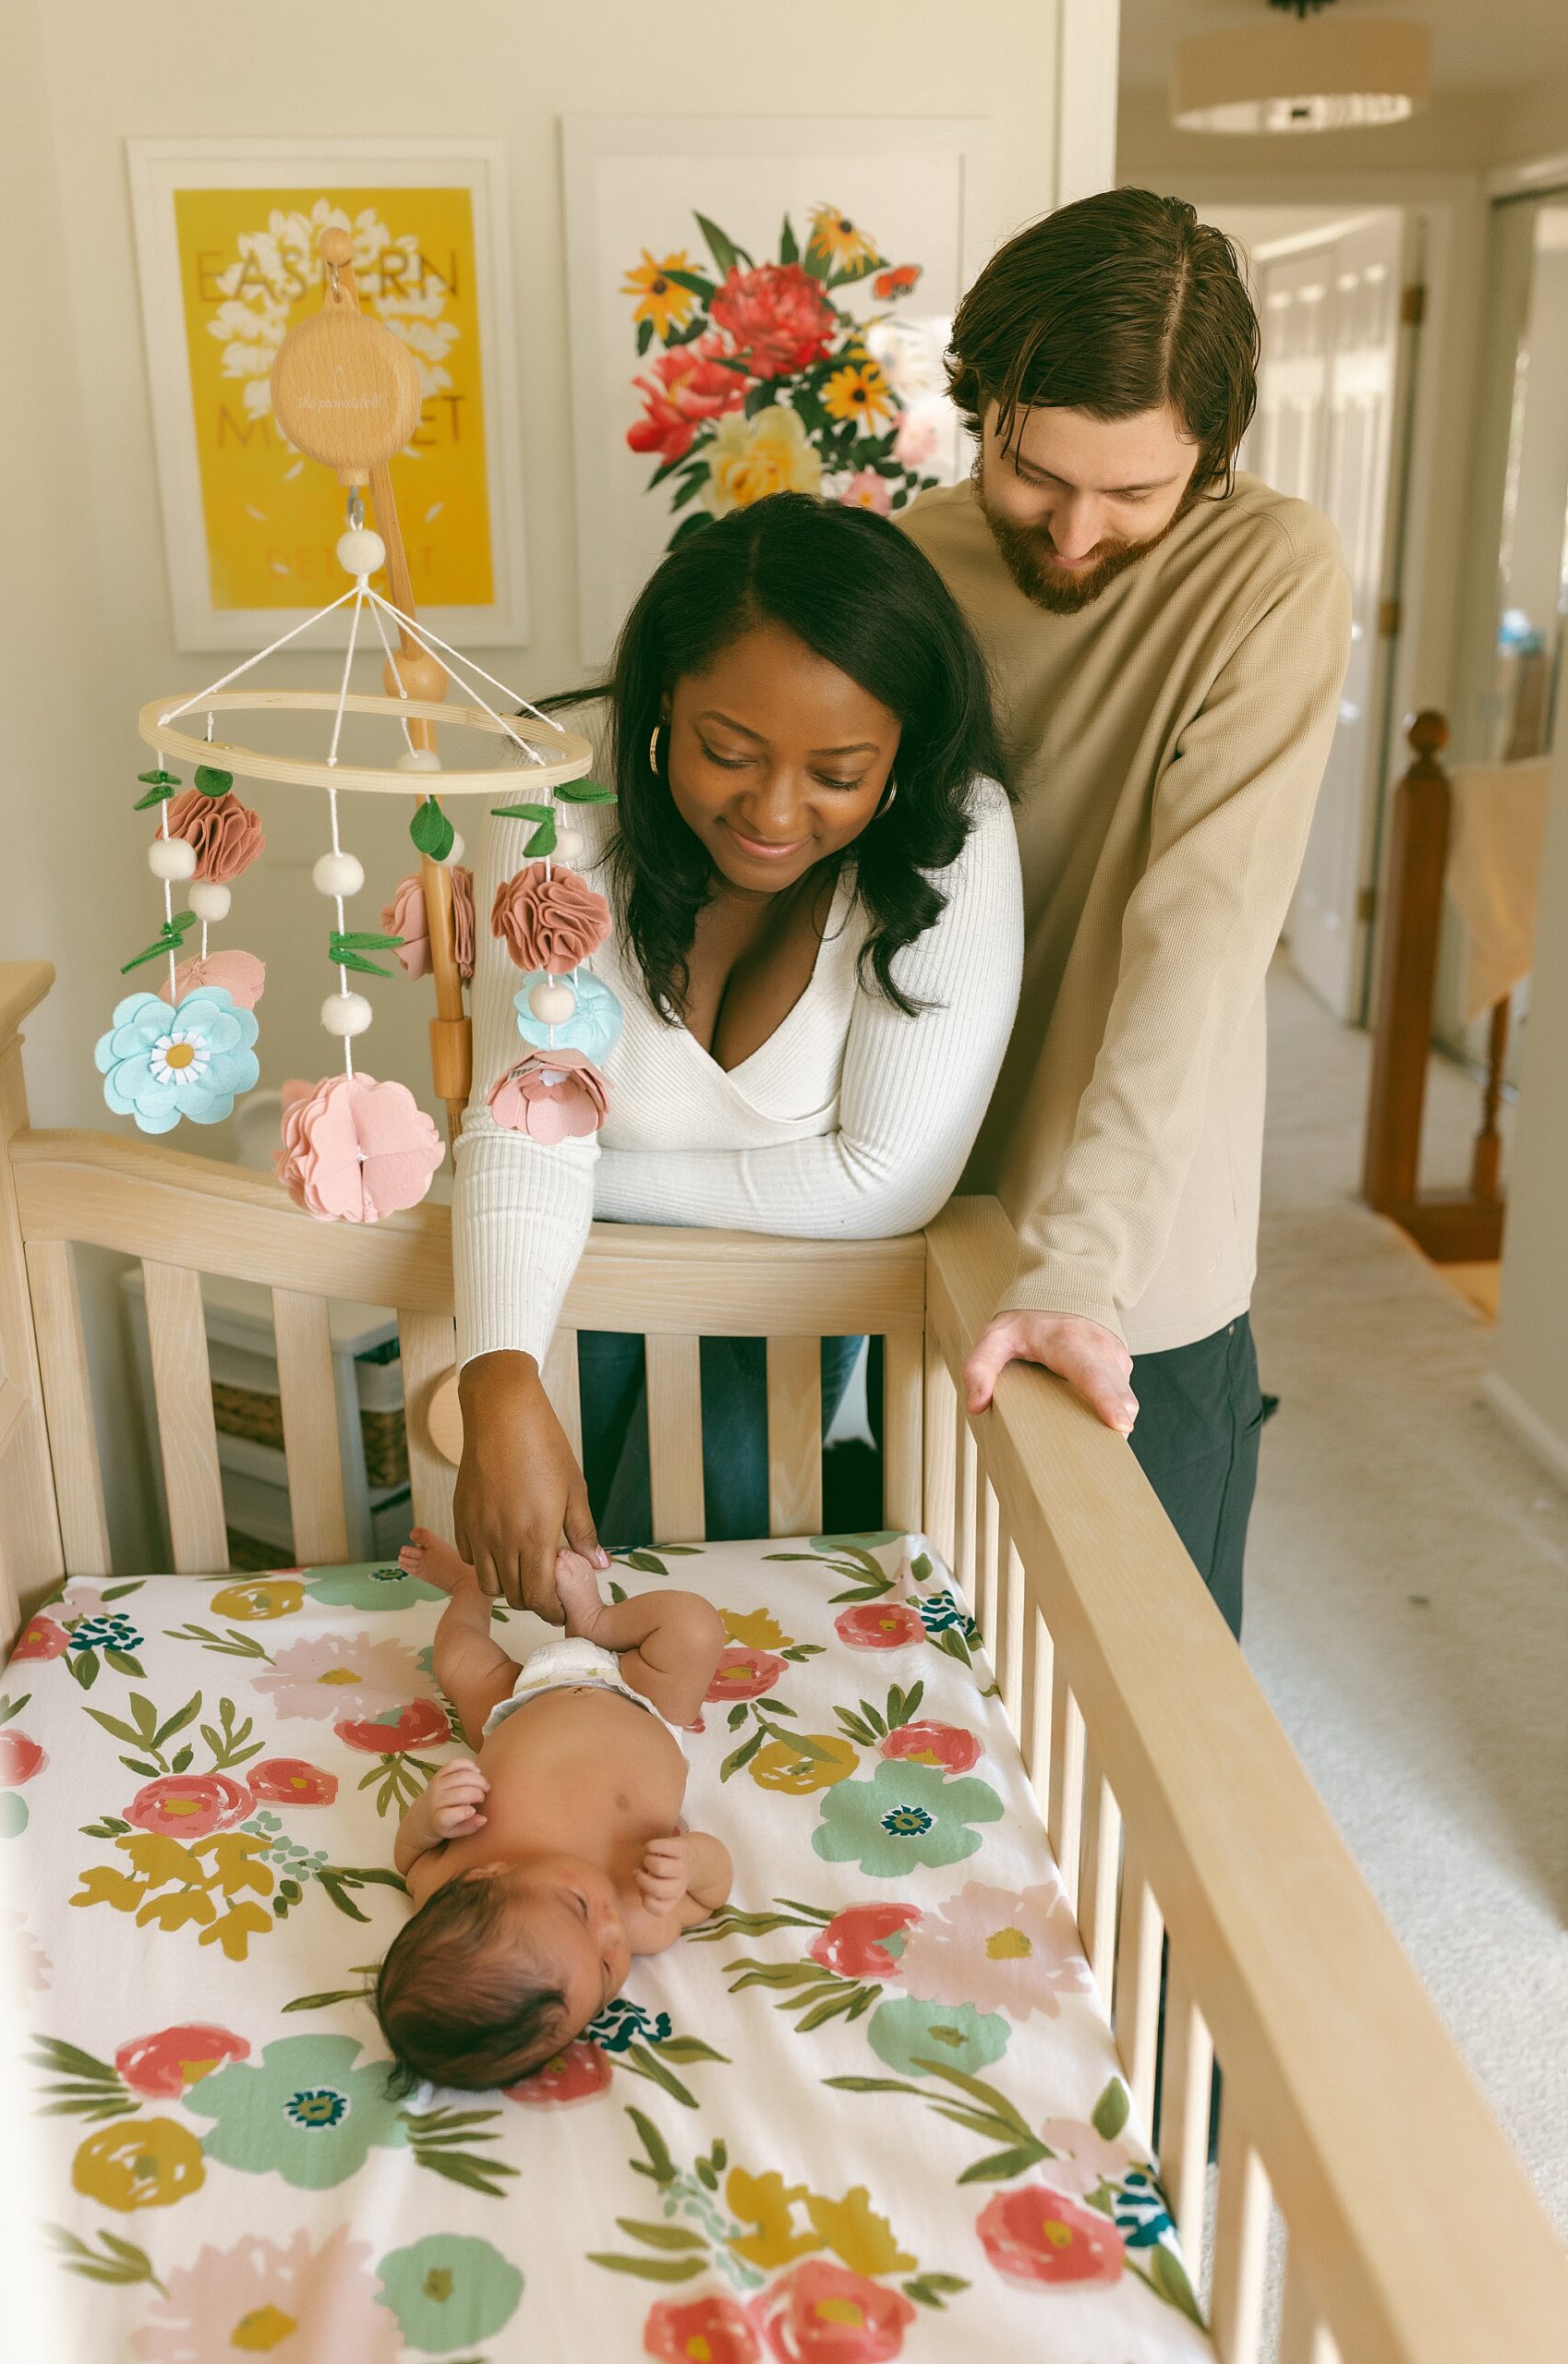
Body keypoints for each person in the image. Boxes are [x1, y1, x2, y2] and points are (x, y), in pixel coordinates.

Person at [901, 187, 1353, 1636]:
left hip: (1130, 1249)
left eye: (1136, 493)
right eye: (1034, 473)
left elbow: (1200, 932)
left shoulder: (1269, 572)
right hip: (902, 1200)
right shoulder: (909, 565)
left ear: (1210, 459)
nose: (1078, 531)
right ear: (979, 407)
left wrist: (1081, 1265)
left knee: (1151, 1685)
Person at [453, 492, 1023, 1611]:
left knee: (734, 1606)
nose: (773, 811)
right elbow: (532, 1111)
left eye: (839, 774)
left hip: (779, 1327)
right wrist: (500, 1370)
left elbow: (884, 1183)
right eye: (727, 752)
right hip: (552, 1282)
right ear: (663, 698)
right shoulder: (550, 795)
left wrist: (575, 1179)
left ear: (902, 746)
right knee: (529, 1614)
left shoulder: (960, 835)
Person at [375, 1527, 730, 2090]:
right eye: (610, 1969)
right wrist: (692, 1862)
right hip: (643, 1699)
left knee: (459, 1658)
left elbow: (408, 1860)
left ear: (488, 1876)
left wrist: (427, 1818)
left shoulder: (450, 1881)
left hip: (512, 1705)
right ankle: (591, 1625)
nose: (610, 1930)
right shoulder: (643, 1913)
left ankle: (492, 1595)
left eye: (578, 1910)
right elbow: (711, 1895)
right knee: (693, 1626)